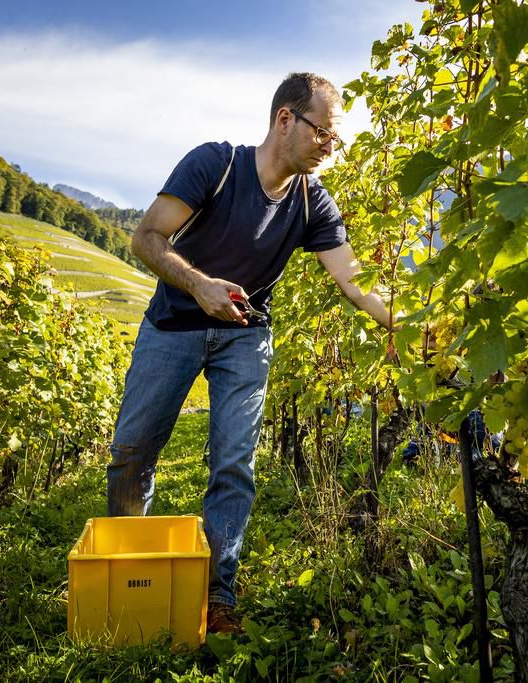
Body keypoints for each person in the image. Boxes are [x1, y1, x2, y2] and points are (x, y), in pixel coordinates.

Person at [106, 73, 396, 634]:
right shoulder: (214, 165)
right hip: (173, 323)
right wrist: (199, 286)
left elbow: (357, 285)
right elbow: (146, 238)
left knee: (234, 463)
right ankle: (125, 573)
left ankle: (217, 598)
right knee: (132, 451)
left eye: (335, 140)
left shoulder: (314, 204)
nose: (329, 148)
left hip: (245, 335)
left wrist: (418, 329)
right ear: (285, 118)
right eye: (323, 134)